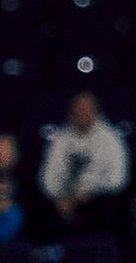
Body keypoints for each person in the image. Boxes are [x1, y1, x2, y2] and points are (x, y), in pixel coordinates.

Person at [38, 90, 129, 228]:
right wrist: (59, 197)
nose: (83, 113)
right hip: (64, 199)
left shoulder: (111, 139)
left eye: (87, 109)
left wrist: (89, 192)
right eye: (78, 109)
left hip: (99, 198)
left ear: (95, 111)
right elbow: (48, 177)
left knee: (112, 207)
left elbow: (118, 180)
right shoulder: (60, 139)